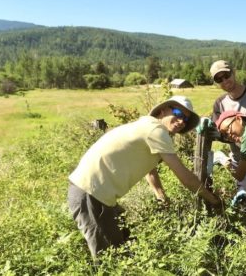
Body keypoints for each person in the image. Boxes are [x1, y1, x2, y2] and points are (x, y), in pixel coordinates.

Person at [68, 96, 222, 258]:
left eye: (185, 119)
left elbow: (150, 169)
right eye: (177, 113)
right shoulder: (156, 131)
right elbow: (186, 178)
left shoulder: (146, 126)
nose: (181, 120)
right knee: (109, 257)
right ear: (162, 110)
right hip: (91, 194)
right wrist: (214, 201)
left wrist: (159, 193)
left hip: (95, 193)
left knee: (125, 241)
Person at [197, 60, 246, 204]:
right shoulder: (219, 103)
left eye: (226, 75)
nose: (224, 80)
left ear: (234, 72)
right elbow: (217, 131)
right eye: (219, 78)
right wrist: (204, 124)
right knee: (245, 207)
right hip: (239, 161)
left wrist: (222, 135)